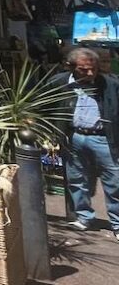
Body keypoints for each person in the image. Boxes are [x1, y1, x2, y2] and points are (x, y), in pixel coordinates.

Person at [51, 47, 119, 240]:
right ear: (70, 67)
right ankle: (84, 217)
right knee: (77, 179)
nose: (90, 73)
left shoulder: (110, 84)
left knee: (114, 183)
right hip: (74, 138)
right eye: (84, 69)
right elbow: (45, 107)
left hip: (104, 139)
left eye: (94, 69)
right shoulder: (59, 83)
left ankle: (117, 224)